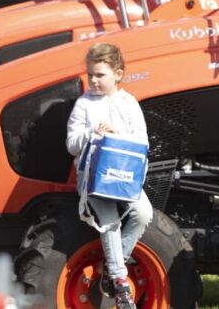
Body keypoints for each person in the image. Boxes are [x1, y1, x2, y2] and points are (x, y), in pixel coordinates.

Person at [66, 42, 152, 309]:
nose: (93, 80)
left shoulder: (129, 103)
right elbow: (71, 144)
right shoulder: (84, 104)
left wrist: (118, 137)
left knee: (143, 213)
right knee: (110, 221)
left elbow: (142, 142)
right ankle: (120, 283)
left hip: (123, 177)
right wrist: (93, 133)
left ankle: (111, 267)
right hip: (94, 179)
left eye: (100, 75)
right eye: (90, 74)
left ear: (118, 74)